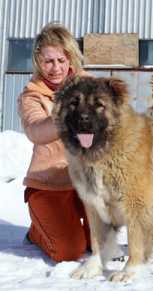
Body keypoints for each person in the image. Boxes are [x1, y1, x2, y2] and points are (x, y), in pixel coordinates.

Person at [18, 23, 91, 262]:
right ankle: (38, 232)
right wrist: (63, 115)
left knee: (100, 243)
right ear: (38, 61)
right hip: (49, 184)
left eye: (61, 59)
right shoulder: (32, 95)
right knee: (69, 251)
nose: (56, 68)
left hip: (86, 181)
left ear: (71, 58)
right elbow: (36, 131)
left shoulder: (88, 86)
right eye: (48, 61)